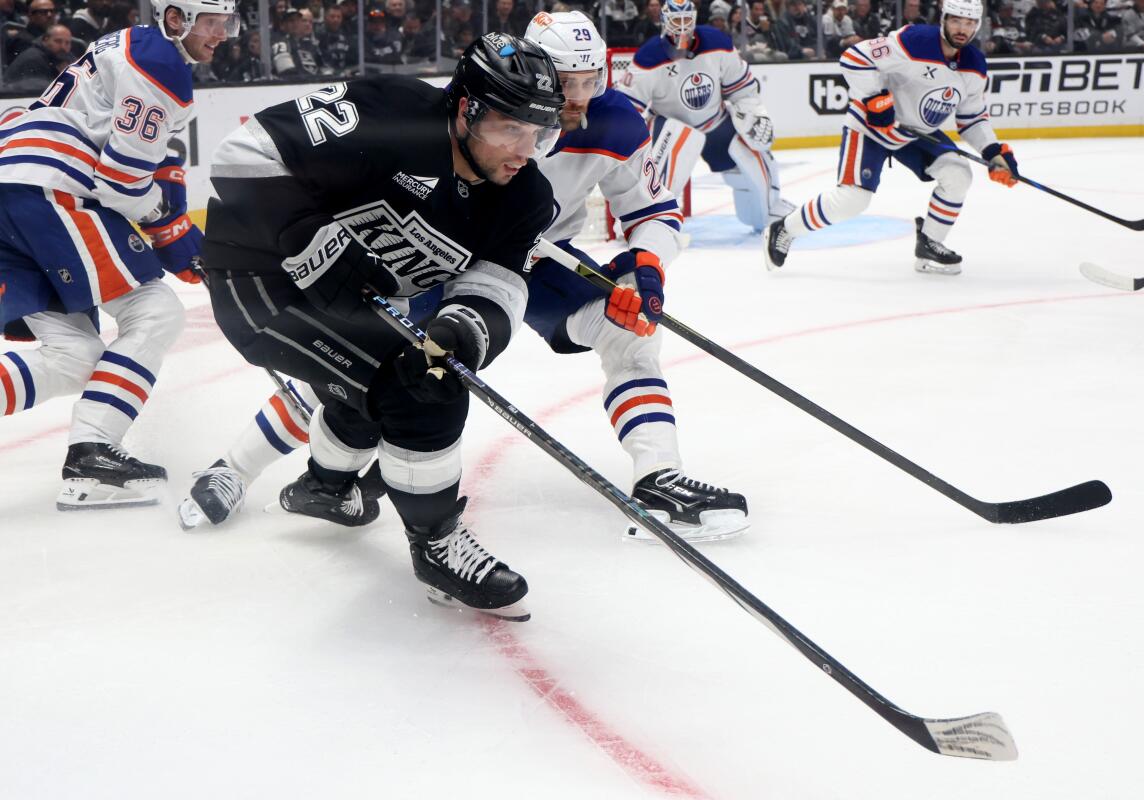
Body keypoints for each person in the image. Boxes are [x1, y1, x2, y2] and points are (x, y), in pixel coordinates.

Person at [180, 12, 749, 544]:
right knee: (357, 367)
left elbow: (652, 211)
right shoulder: (496, 103)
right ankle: (236, 466)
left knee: (628, 335)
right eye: (564, 81)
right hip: (438, 254)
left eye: (589, 80)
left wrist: (645, 268)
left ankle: (659, 477)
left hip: (531, 258)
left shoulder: (620, 123)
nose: (576, 99)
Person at [194, 34, 563, 620]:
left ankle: (323, 487)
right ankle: (436, 543)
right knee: (415, 393)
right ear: (465, 108)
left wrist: (464, 330)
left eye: (539, 133)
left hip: (352, 305)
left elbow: (499, 286)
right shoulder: (391, 113)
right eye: (509, 129)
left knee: (416, 374)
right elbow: (241, 153)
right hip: (258, 278)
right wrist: (316, 245)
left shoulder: (524, 197)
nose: (524, 149)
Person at [0, 0, 237, 509]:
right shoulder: (160, 60)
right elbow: (122, 182)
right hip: (50, 184)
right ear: (176, 18)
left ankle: (91, 459)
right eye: (211, 22)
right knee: (155, 310)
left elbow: (145, 159)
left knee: (75, 356)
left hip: (15, 177)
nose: (221, 34)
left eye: (228, 23)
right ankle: (93, 450)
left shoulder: (128, 44)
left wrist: (169, 211)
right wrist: (172, 232)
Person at [763, 0, 1019, 275]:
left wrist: (993, 152)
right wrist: (876, 100)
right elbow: (854, 58)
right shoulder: (915, 41)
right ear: (943, 19)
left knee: (958, 173)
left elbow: (971, 117)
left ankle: (930, 243)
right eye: (956, 21)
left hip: (916, 133)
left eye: (969, 23)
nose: (962, 29)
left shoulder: (974, 65)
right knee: (852, 200)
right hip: (870, 127)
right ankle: (784, 228)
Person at [617, 0, 794, 233]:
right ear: (664, 20)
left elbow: (742, 87)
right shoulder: (648, 57)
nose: (681, 27)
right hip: (671, 126)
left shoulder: (717, 42)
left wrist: (753, 113)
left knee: (756, 152)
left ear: (695, 18)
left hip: (714, 122)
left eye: (686, 19)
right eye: (676, 20)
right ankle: (646, 218)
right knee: (656, 173)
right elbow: (628, 107)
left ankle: (769, 208)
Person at [4, 21, 71, 91]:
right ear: (45, 40)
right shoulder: (33, 59)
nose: (63, 46)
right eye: (58, 41)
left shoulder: (60, 56)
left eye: (67, 43)